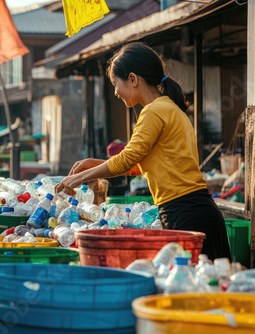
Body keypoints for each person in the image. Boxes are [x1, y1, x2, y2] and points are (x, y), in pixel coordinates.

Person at [55, 42, 231, 261]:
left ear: (133, 79)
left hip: (185, 213)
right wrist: (92, 163)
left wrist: (79, 178)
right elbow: (138, 166)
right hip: (197, 210)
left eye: (115, 83)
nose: (116, 92)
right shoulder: (170, 108)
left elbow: (128, 159)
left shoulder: (153, 112)